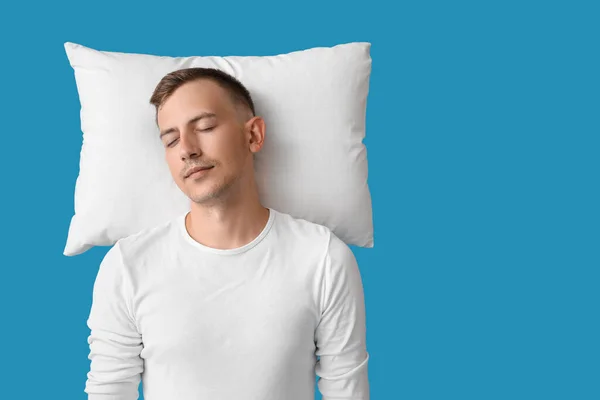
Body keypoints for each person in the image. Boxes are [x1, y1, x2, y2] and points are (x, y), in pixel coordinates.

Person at [84, 67, 370, 399]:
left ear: (253, 136)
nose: (187, 149)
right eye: (171, 139)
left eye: (204, 127)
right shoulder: (128, 266)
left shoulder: (322, 259)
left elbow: (347, 392)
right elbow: (108, 391)